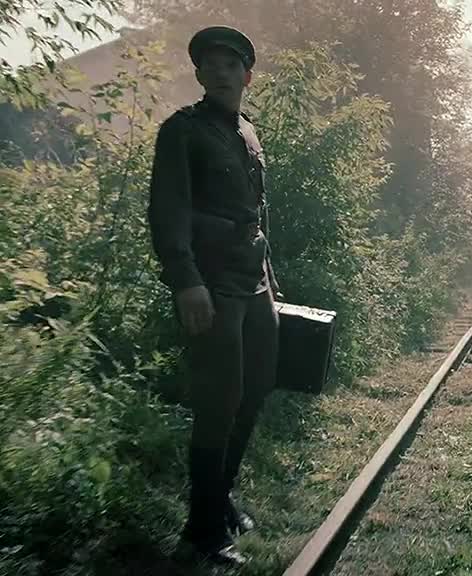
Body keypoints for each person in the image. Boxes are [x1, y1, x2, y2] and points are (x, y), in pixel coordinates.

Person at [147, 25, 281, 567]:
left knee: (256, 388)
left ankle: (221, 497)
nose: (221, 73)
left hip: (255, 281)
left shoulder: (248, 131)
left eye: (232, 65)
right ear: (199, 74)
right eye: (211, 65)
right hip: (212, 283)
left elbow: (256, 212)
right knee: (219, 400)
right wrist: (186, 281)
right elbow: (168, 210)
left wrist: (272, 277)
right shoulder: (182, 131)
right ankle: (203, 528)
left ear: (247, 77)